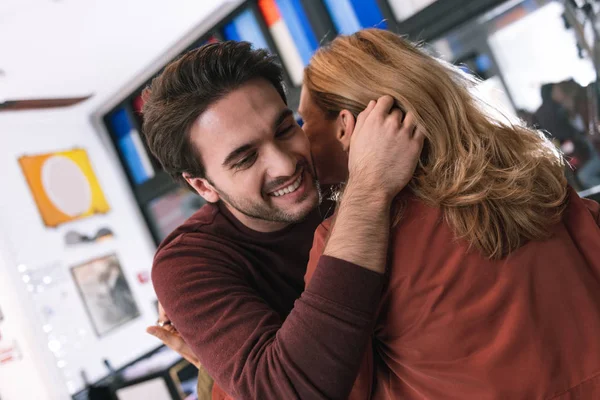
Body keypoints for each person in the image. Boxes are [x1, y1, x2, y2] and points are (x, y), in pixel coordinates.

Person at [302, 29, 600, 399]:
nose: (301, 142)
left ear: (346, 127)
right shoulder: (525, 170)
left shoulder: (347, 241)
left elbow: (330, 381)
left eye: (304, 122)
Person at [142, 40, 425, 399]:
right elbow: (286, 393)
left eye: (285, 129)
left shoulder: (343, 161)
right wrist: (369, 190)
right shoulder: (187, 264)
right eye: (245, 158)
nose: (286, 165)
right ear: (202, 185)